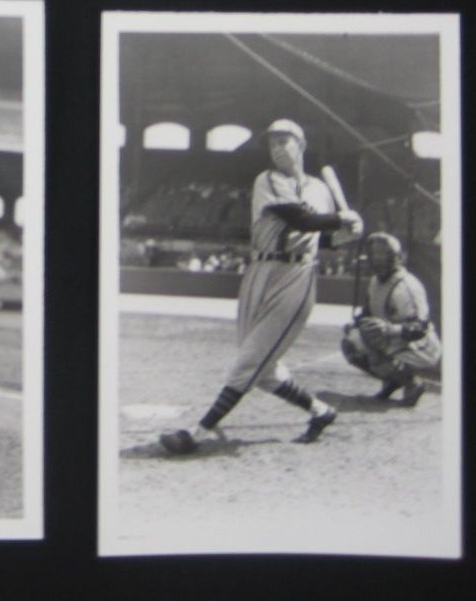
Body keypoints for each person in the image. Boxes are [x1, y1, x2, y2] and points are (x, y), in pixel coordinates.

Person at [160, 119, 362, 453]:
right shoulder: (267, 180)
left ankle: (197, 433)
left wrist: (348, 233)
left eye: (285, 141)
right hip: (260, 271)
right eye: (273, 143)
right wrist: (343, 218)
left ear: (301, 145)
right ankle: (321, 411)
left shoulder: (320, 189)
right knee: (262, 368)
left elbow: (323, 238)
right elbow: (300, 219)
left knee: (248, 362)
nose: (278, 148)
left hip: (296, 277)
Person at [340, 233, 441, 405]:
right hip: (396, 340)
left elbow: (420, 327)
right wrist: (356, 323)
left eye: (383, 254)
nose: (377, 259)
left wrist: (390, 330)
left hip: (421, 346)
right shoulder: (375, 281)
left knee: (375, 349)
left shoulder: (406, 286)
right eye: (374, 254)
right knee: (352, 344)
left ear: (397, 258)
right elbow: (369, 312)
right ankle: (394, 380)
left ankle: (412, 383)